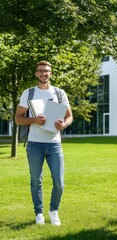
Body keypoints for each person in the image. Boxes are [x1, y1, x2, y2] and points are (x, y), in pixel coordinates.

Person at [15, 60, 73, 226]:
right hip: (35, 144)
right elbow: (18, 118)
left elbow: (69, 116)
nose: (43, 73)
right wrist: (34, 120)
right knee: (36, 181)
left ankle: (53, 211)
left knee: (59, 182)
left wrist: (64, 124)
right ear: (36, 74)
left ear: (51, 73)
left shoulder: (59, 93)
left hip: (54, 144)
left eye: (46, 71)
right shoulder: (29, 93)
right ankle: (39, 213)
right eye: (40, 71)